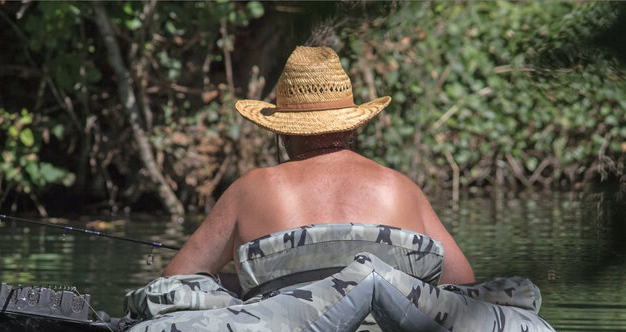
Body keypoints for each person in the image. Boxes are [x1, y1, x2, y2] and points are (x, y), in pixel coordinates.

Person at [162, 46, 474, 285]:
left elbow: (173, 282)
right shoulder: (399, 188)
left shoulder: (250, 190)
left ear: (283, 131)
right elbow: (461, 282)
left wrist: (237, 283)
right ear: (351, 127)